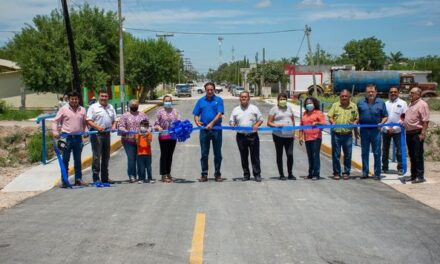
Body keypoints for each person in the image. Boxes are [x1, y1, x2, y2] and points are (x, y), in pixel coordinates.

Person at [52, 91, 88, 187]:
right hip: (66, 138)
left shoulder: (83, 110)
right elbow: (55, 121)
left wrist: (86, 131)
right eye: (72, 99)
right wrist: (55, 132)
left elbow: (85, 123)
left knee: (77, 160)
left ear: (78, 99)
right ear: (69, 99)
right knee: (65, 160)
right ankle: (64, 181)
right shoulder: (63, 109)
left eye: (76, 99)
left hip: (78, 138)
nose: (74, 101)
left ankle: (78, 180)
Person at [192, 82, 224, 182]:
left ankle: (217, 174)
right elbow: (196, 113)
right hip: (204, 131)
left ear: (214, 89)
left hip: (216, 130)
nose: (210, 91)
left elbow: (219, 114)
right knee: (204, 153)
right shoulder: (200, 101)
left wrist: (212, 124)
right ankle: (204, 174)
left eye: (211, 89)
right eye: (208, 90)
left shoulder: (219, 100)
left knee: (217, 153)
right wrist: (196, 121)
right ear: (205, 90)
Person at [230, 91, 264, 182]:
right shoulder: (236, 109)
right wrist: (232, 124)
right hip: (241, 136)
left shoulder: (254, 108)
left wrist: (257, 124)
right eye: (242, 97)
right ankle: (246, 174)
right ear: (239, 98)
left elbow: (260, 119)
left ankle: (257, 174)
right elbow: (232, 121)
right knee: (243, 156)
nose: (243, 98)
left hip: (253, 135)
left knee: (255, 156)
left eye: (245, 97)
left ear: (249, 98)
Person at [357, 84, 388, 180]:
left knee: (377, 152)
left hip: (376, 131)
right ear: (365, 93)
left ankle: (377, 173)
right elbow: (357, 116)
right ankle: (365, 172)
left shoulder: (381, 103)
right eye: (368, 92)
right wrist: (356, 127)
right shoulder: (360, 103)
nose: (371, 93)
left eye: (372, 91)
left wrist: (381, 124)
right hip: (364, 131)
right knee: (364, 152)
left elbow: (385, 116)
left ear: (376, 92)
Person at [86, 89, 117, 184]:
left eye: (105, 96)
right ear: (99, 96)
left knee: (106, 157)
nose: (104, 98)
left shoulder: (110, 107)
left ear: (108, 97)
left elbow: (115, 119)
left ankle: (105, 178)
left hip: (107, 134)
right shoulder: (93, 107)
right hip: (96, 134)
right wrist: (98, 127)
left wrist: (113, 126)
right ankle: (96, 178)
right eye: (102, 96)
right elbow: (89, 120)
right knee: (96, 157)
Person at [328, 90, 359, 180]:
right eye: (342, 96)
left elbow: (356, 118)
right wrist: (332, 122)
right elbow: (330, 116)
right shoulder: (335, 105)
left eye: (346, 96)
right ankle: (336, 172)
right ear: (340, 97)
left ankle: (346, 172)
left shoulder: (353, 106)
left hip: (348, 134)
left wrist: (355, 122)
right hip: (336, 134)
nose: (344, 98)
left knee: (348, 155)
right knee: (336, 154)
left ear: (349, 97)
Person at [403, 87, 429, 183]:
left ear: (418, 94)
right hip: (409, 133)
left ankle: (420, 176)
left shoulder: (422, 104)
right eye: (410, 93)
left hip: (417, 133)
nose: (410, 94)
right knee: (412, 155)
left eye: (412, 93)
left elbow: (425, 121)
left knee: (418, 155)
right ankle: (413, 175)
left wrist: (423, 133)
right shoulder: (411, 104)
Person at [118, 99, 149, 183]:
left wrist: (146, 130)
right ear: (129, 106)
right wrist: (126, 131)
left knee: (140, 159)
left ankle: (141, 176)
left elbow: (148, 125)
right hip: (128, 141)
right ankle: (132, 176)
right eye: (133, 105)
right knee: (131, 159)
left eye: (136, 105)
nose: (134, 106)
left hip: (141, 141)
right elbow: (120, 126)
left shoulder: (142, 115)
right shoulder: (125, 116)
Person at [267, 92, 296, 180]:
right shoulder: (274, 109)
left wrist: (294, 132)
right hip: (278, 136)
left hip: (289, 136)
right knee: (279, 155)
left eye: (284, 99)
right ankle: (281, 174)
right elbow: (269, 122)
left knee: (290, 154)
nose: (283, 100)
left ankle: (290, 174)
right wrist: (276, 125)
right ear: (278, 100)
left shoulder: (289, 108)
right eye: (281, 99)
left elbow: (293, 121)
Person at [154, 95, 181, 183]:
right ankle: (163, 174)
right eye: (166, 101)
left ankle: (168, 173)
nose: (167, 102)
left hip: (173, 136)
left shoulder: (175, 111)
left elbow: (179, 122)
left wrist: (178, 128)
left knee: (170, 155)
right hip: (163, 136)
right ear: (163, 101)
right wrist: (159, 128)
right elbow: (156, 124)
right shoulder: (160, 112)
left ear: (171, 101)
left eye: (169, 101)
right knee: (164, 155)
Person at [382, 87, 407, 175]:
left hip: (398, 131)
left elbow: (403, 117)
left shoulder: (403, 103)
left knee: (399, 150)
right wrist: (387, 128)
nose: (393, 93)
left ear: (398, 92)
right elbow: (383, 117)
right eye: (391, 92)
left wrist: (394, 128)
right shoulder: (385, 103)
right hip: (386, 130)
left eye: (395, 92)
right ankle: (384, 167)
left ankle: (400, 168)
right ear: (389, 93)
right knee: (385, 149)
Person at [299, 97, 326, 180]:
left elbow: (324, 124)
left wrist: (317, 123)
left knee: (315, 156)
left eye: (310, 103)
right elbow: (301, 126)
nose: (309, 105)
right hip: (307, 138)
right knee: (310, 156)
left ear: (314, 103)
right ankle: (310, 173)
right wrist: (300, 137)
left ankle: (316, 174)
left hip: (316, 138)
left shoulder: (318, 113)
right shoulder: (304, 114)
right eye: (307, 103)